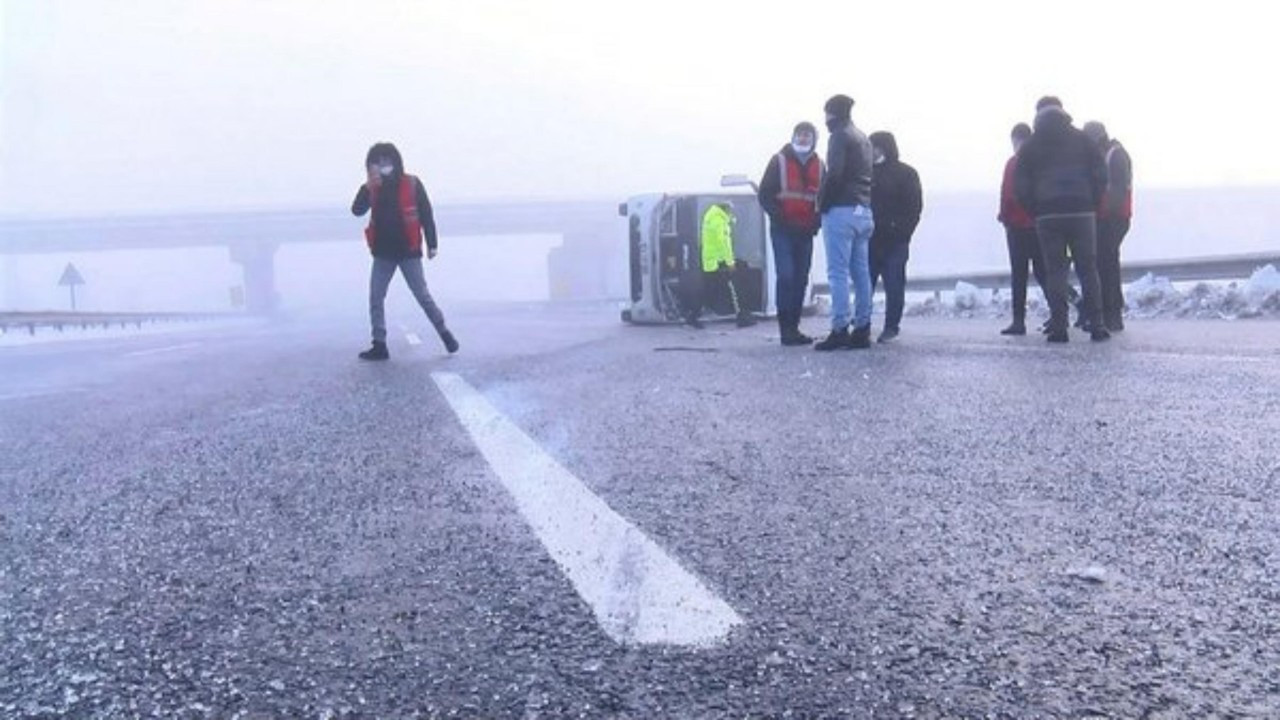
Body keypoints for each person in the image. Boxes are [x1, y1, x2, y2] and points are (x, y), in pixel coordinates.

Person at [1014, 97, 1109, 343]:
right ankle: (1098, 324)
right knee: (1088, 268)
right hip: (1082, 212)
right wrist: (1092, 202)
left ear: (1038, 114)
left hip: (1048, 215)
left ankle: (1059, 326)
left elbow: (1020, 185)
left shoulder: (1030, 147)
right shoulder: (1082, 139)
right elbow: (1101, 173)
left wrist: (1035, 211)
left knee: (1055, 270)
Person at [351, 142, 458, 360]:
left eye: (387, 161)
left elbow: (426, 214)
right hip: (382, 253)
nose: (384, 166)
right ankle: (379, 344)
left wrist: (432, 243)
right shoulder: (372, 187)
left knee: (422, 296)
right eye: (378, 163)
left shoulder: (412, 183)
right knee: (376, 298)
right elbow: (356, 211)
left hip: (409, 251)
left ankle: (445, 333)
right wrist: (367, 187)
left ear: (396, 162)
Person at [814, 94, 875, 351]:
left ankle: (840, 328)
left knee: (837, 272)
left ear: (831, 114)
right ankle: (862, 328)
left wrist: (822, 202)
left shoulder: (838, 136)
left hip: (841, 209)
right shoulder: (863, 138)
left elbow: (835, 173)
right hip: (864, 210)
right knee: (861, 272)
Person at [758, 122, 824, 346]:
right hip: (783, 230)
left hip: (806, 232)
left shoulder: (820, 165)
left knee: (800, 279)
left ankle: (794, 329)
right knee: (786, 276)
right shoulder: (779, 161)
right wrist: (778, 216)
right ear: (793, 137)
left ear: (814, 139)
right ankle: (785, 329)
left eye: (807, 135)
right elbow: (765, 194)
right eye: (800, 134)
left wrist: (817, 222)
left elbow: (823, 199)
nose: (803, 138)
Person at [867, 131, 922, 343]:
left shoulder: (906, 173)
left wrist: (903, 233)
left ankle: (891, 326)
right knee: (865, 284)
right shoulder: (865, 173)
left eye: (872, 147)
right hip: (869, 240)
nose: (869, 152)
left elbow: (914, 207)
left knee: (894, 284)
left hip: (895, 241)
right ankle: (863, 323)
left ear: (883, 148)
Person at [1083, 120, 1133, 332]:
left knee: (1107, 265)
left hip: (1113, 218)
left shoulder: (1115, 155)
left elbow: (1117, 190)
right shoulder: (1111, 153)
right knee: (1107, 265)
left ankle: (1112, 314)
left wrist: (1102, 214)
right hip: (1111, 217)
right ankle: (1110, 314)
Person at [998, 122, 1048, 335]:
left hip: (1018, 227)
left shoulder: (1014, 163)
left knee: (1019, 275)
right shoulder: (1042, 161)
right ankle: (1059, 313)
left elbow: (1008, 194)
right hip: (1040, 225)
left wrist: (1004, 217)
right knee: (1044, 271)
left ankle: (1019, 321)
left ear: (1016, 140)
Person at [690, 201, 756, 328]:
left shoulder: (711, 217)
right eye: (730, 210)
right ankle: (742, 317)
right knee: (735, 286)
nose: (732, 212)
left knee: (708, 289)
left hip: (710, 261)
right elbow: (724, 244)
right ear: (725, 209)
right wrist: (730, 262)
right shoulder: (720, 222)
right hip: (719, 261)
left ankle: (693, 315)